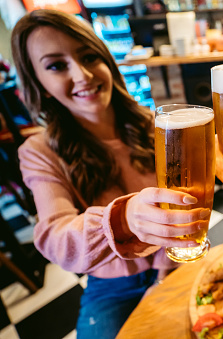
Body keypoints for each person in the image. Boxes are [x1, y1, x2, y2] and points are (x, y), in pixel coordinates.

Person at [11, 10, 208, 338]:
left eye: (88, 56)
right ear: (39, 84)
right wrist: (123, 218)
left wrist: (163, 278)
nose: (83, 74)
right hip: (111, 285)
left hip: (175, 262)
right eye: (57, 65)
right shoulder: (39, 151)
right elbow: (55, 238)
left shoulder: (152, 124)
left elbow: (183, 204)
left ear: (107, 61)